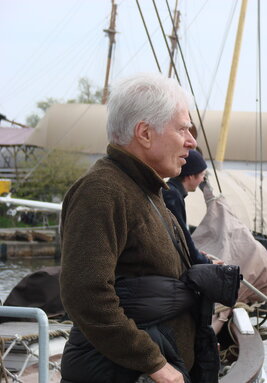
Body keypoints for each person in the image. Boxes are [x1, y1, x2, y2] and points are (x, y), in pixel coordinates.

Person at [60, 72, 199, 383]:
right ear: (145, 133)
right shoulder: (102, 191)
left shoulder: (144, 189)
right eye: (182, 129)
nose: (192, 141)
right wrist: (154, 364)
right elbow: (86, 294)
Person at [163, 149, 212, 265]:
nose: (202, 180)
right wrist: (206, 262)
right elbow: (183, 238)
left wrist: (197, 254)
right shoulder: (172, 196)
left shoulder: (171, 192)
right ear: (190, 176)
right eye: (202, 175)